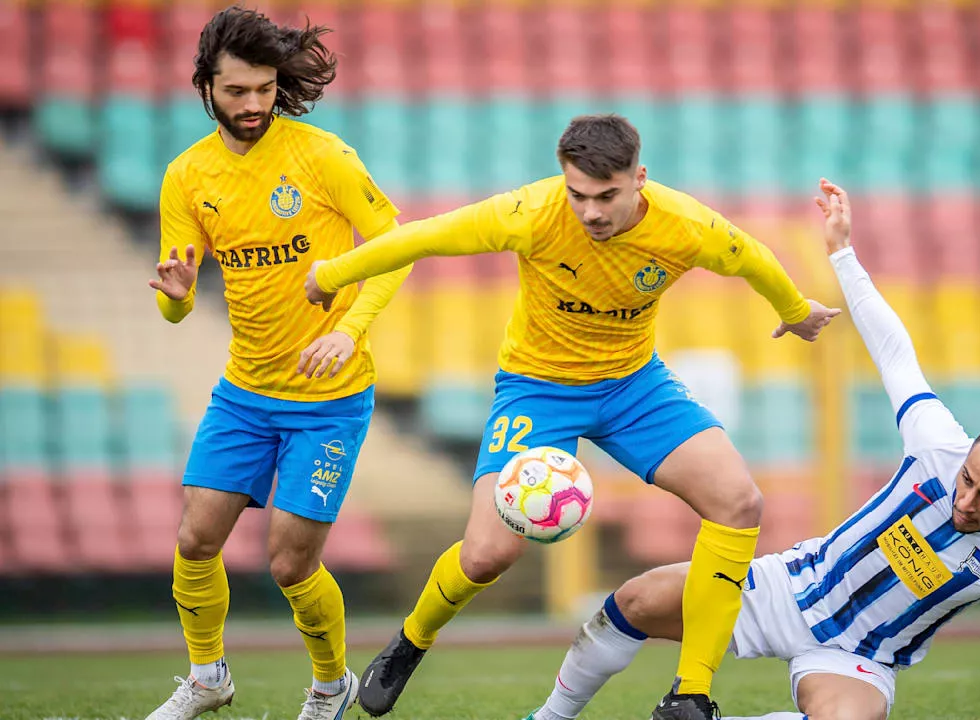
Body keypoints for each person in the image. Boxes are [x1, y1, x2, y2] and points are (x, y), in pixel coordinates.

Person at [303, 114, 841, 719]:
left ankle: (690, 693)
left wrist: (795, 310)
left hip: (634, 385)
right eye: (577, 194)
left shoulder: (686, 226)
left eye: (606, 195)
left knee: (739, 502)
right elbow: (423, 237)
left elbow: (753, 259)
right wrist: (333, 272)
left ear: (640, 178)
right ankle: (411, 641)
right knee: (486, 556)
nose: (589, 211)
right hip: (538, 389)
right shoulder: (530, 212)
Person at [519, 180, 980, 720]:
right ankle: (549, 718)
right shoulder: (937, 446)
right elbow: (893, 349)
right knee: (635, 598)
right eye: (968, 481)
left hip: (860, 657)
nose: (968, 499)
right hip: (788, 588)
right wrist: (842, 253)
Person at [145, 7, 410, 720]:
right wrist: (175, 298)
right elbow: (176, 302)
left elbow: (396, 248)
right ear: (206, 86)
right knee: (195, 539)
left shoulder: (322, 156)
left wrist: (350, 331)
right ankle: (208, 678)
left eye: (264, 88)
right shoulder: (187, 176)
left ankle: (331, 686)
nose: (254, 104)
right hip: (245, 392)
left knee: (291, 564)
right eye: (237, 92)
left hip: (330, 398)